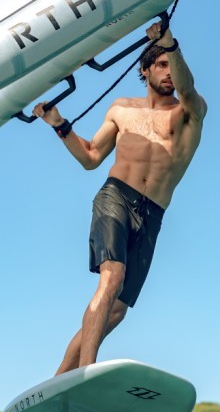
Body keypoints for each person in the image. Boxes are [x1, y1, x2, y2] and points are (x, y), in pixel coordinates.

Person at [33, 21, 207, 376]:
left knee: (117, 310)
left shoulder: (189, 111)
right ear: (144, 70)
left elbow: (187, 87)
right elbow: (91, 157)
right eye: (161, 64)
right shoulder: (121, 109)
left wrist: (171, 45)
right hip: (116, 195)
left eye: (171, 64)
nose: (169, 72)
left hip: (153, 212)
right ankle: (87, 373)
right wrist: (59, 124)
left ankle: (60, 381)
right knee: (112, 277)